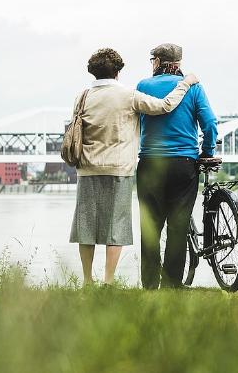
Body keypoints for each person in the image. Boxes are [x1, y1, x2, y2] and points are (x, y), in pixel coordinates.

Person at [69, 48, 199, 285]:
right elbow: (165, 106)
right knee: (115, 227)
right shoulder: (128, 96)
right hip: (119, 169)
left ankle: (88, 281)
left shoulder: (82, 96)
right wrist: (186, 83)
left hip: (87, 168)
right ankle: (108, 282)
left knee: (86, 227)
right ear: (118, 72)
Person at [136, 43, 218, 289]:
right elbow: (210, 124)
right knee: (178, 225)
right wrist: (207, 152)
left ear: (158, 61)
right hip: (183, 165)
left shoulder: (142, 86)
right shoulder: (194, 88)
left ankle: (149, 285)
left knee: (150, 226)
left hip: (150, 163)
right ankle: (172, 284)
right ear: (178, 64)